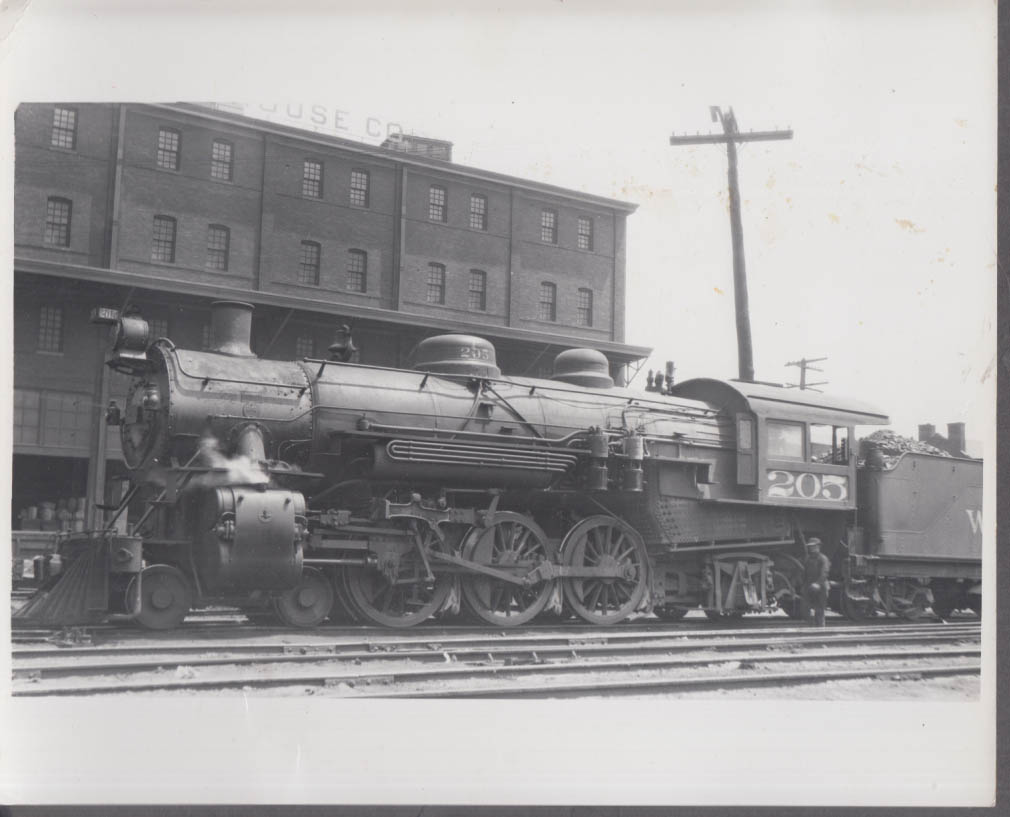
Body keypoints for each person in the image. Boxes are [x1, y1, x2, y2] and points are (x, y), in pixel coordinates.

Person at [801, 538, 831, 627]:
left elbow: (824, 572)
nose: (811, 549)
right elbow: (804, 573)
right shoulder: (807, 559)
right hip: (809, 586)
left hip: (821, 586)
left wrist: (818, 583)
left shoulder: (823, 558)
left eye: (813, 546)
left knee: (819, 609)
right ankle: (810, 628)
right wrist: (804, 585)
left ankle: (820, 629)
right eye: (810, 547)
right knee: (806, 608)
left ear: (818, 547)